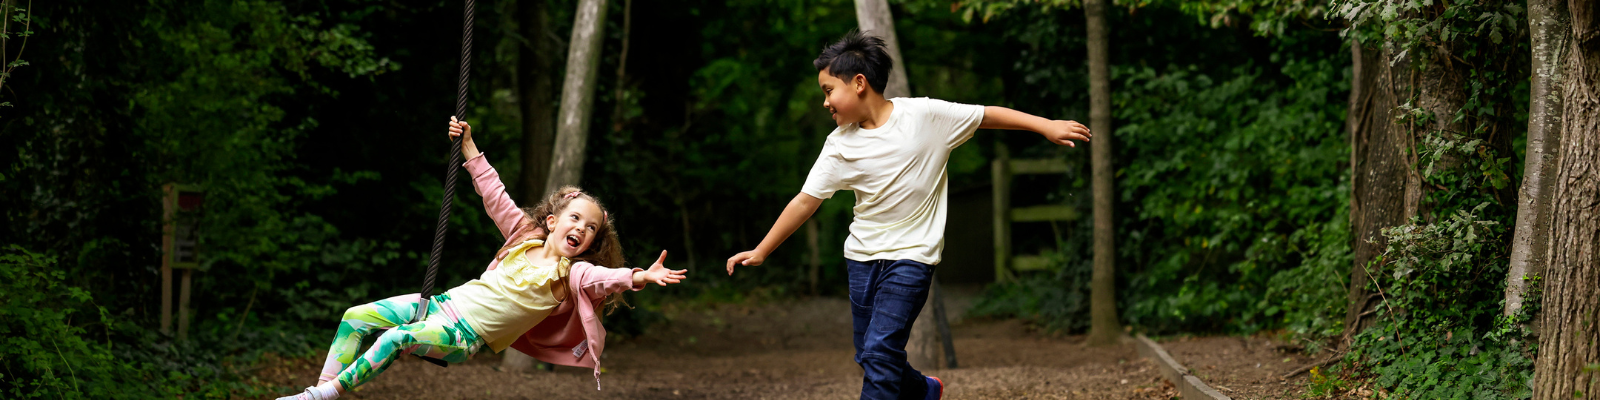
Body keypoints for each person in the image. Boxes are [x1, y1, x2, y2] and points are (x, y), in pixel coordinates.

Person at [725, 30, 1091, 400]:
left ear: (859, 83)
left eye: (827, 91)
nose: (825, 103)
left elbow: (985, 116)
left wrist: (1045, 125)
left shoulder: (925, 116)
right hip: (862, 258)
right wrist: (762, 249)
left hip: (912, 258)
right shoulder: (839, 145)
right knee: (869, 354)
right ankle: (924, 391)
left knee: (881, 352)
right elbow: (806, 200)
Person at [279, 117, 687, 400]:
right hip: (439, 306)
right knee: (356, 315)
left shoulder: (573, 273)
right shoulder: (523, 236)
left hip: (462, 338)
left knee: (396, 338)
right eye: (575, 218)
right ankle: (320, 392)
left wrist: (639, 277)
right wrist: (469, 145)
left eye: (591, 227)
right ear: (552, 221)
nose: (581, 228)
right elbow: (495, 194)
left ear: (591, 242)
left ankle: (325, 393)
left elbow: (604, 279)